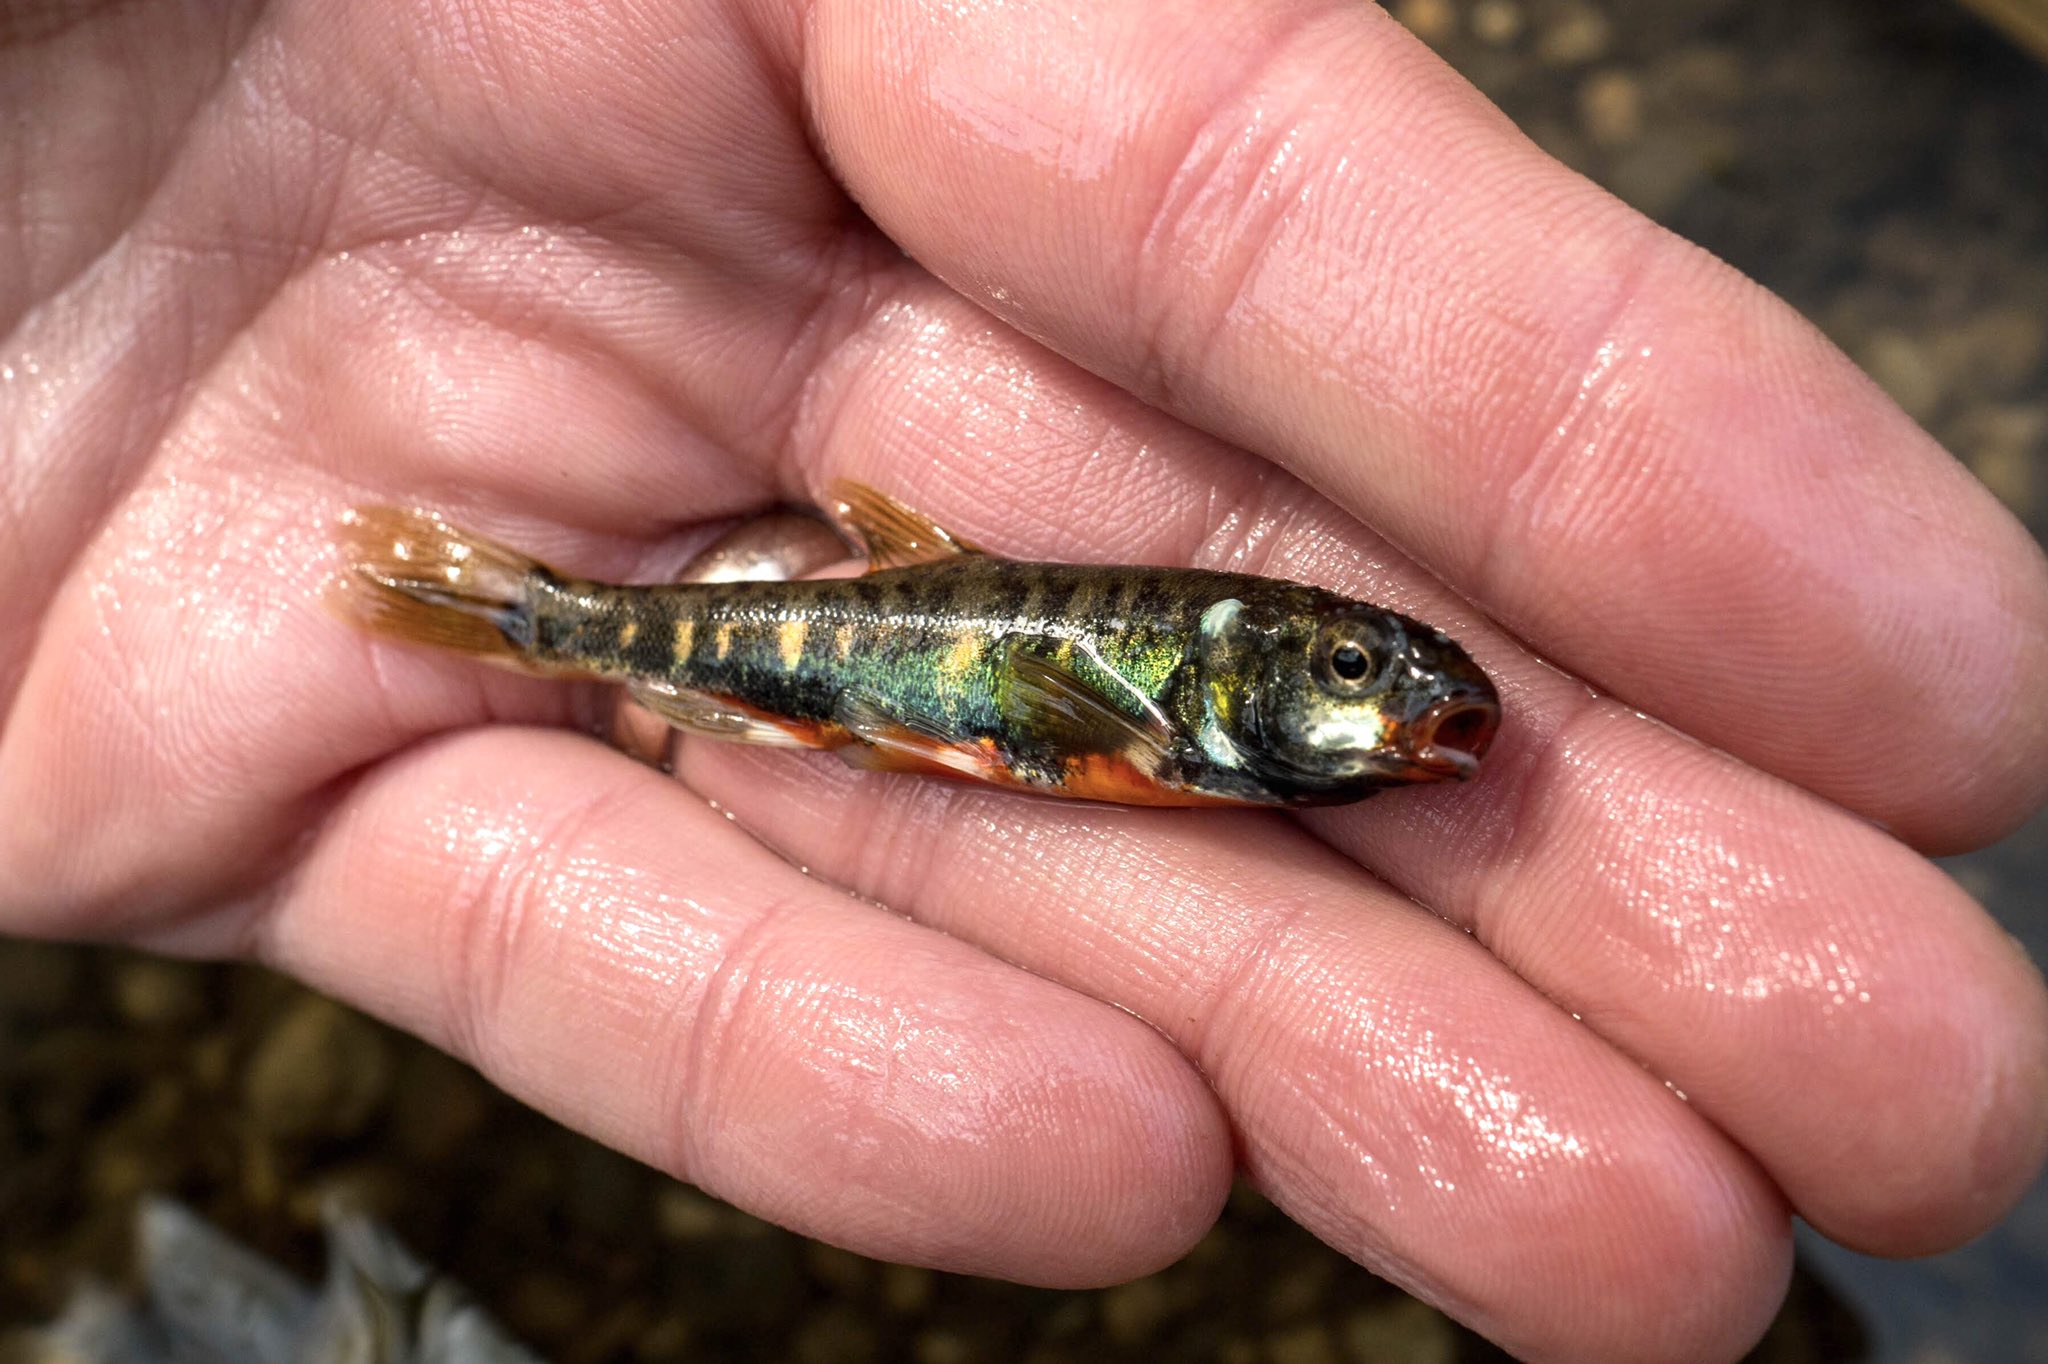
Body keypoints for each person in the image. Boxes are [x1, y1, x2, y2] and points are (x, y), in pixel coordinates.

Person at [2, 3, 2043, 1361]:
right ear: (1242, 668)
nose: (1390, 707)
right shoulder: (1169, 716)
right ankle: (523, 615)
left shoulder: (1224, 729)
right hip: (827, 648)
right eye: (1348, 667)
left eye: (1372, 679)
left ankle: (530, 617)